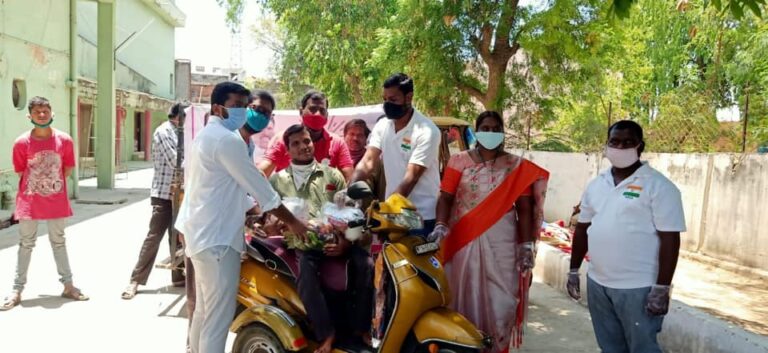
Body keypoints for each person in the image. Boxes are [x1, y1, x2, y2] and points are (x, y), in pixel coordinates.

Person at [175, 81, 309, 353]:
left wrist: (255, 216)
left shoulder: (208, 136)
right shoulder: (227, 140)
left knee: (204, 312)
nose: (242, 112)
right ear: (218, 107)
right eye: (237, 106)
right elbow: (262, 190)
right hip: (218, 241)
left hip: (203, 237)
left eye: (243, 106)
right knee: (217, 321)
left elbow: (228, 189)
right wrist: (294, 222)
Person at [428, 111, 549, 352]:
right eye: (486, 127)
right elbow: (446, 197)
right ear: (477, 130)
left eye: (496, 128)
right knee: (460, 298)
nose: (491, 132)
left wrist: (526, 246)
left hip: (502, 241)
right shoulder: (459, 161)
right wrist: (441, 224)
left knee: (502, 303)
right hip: (463, 240)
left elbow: (524, 209)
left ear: (503, 132)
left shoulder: (516, 166)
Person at [567, 120, 685, 353]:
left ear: (640, 147)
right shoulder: (596, 184)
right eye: (615, 142)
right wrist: (573, 270)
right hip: (598, 283)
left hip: (638, 288)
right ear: (607, 145)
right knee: (610, 347)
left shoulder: (659, 186)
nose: (620, 147)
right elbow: (582, 229)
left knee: (642, 347)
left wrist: (662, 288)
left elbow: (670, 239)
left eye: (628, 142)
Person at [269, 124, 373, 353]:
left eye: (306, 141)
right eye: (295, 143)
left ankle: (361, 328)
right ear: (287, 150)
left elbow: (349, 212)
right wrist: (276, 223)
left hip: (335, 238)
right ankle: (327, 333)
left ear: (312, 143)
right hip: (303, 242)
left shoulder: (332, 174)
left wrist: (345, 242)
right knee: (306, 272)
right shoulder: (277, 181)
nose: (303, 146)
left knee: (365, 263)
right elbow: (268, 218)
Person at [1, 96, 88, 311]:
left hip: (55, 200)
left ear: (52, 113)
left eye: (45, 110)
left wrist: (51, 186)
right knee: (26, 244)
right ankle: (17, 290)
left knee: (59, 241)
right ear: (29, 116)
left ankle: (68, 286)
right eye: (37, 111)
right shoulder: (21, 143)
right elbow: (21, 170)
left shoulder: (64, 140)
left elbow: (67, 168)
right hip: (29, 201)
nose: (42, 114)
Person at [351, 73, 441, 236]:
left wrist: (384, 212)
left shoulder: (427, 131)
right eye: (385, 99)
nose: (387, 104)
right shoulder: (383, 125)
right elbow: (369, 161)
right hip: (393, 213)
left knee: (413, 261)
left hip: (419, 216)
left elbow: (411, 177)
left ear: (409, 97)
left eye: (392, 100)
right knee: (389, 260)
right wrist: (350, 188)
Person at [121, 102, 188, 300]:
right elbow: (177, 161)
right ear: (177, 116)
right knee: (154, 236)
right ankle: (135, 280)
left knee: (177, 237)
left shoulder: (181, 131)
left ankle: (178, 277)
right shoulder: (164, 132)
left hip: (181, 193)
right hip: (164, 193)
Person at [258, 90, 354, 180]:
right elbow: (261, 173)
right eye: (312, 109)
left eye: (322, 110)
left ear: (327, 114)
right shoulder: (283, 138)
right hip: (288, 197)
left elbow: (349, 179)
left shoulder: (337, 143)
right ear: (301, 111)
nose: (317, 114)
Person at [239, 90, 275, 158]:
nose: (262, 116)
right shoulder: (229, 139)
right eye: (259, 109)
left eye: (267, 113)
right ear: (245, 106)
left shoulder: (250, 145)